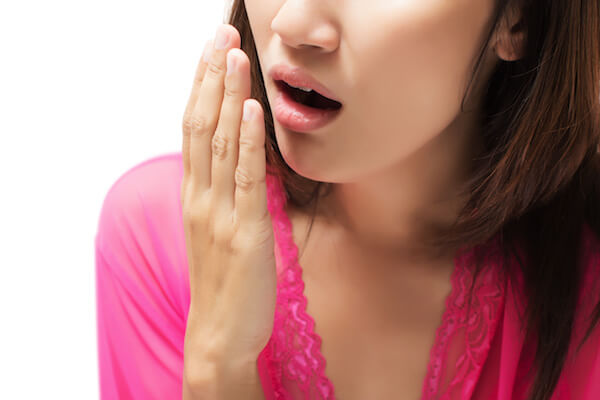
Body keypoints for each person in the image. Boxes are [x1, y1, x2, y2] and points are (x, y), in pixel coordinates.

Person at [95, 0, 600, 399]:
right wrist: (215, 367)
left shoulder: (584, 287)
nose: (293, 22)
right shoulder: (158, 240)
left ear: (519, 19)